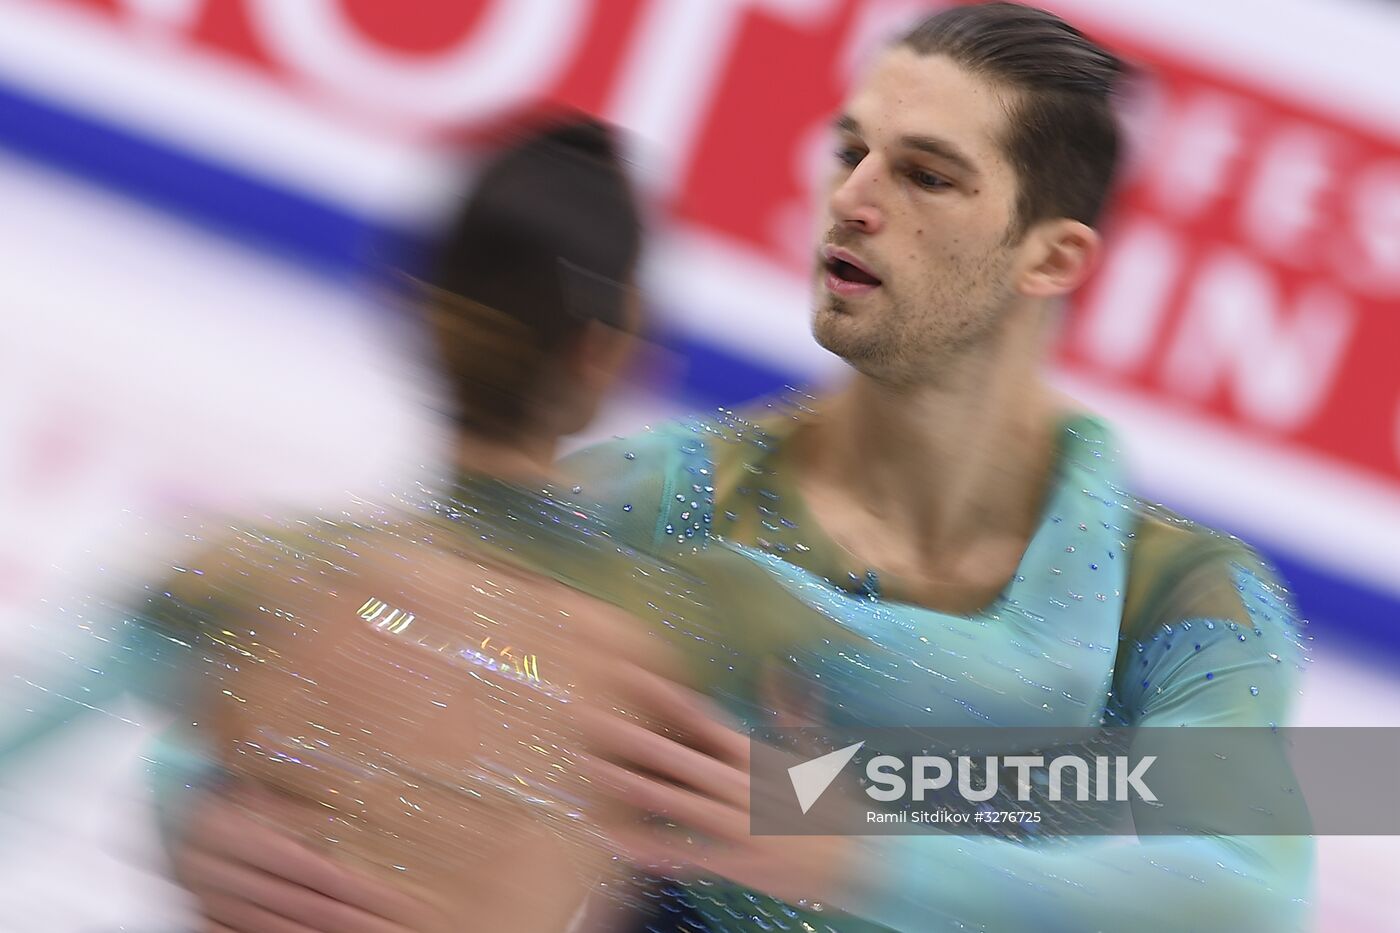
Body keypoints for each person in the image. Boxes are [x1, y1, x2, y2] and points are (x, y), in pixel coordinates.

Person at [171, 4, 1314, 931]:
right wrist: (203, 808)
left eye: (925, 175)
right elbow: (359, 612)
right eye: (848, 150)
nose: (852, 200)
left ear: (1049, 258)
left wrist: (843, 839)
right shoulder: (659, 501)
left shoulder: (1185, 598)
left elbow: (1243, 886)